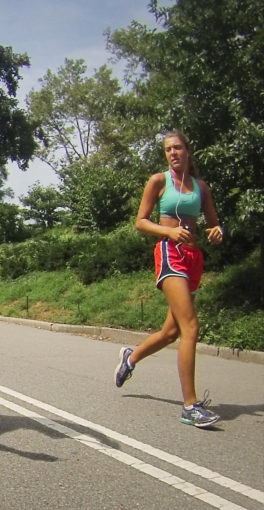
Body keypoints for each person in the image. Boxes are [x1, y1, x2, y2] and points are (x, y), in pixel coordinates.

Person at [114, 129, 223, 428]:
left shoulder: (201, 186)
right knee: (191, 327)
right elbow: (140, 222)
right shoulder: (158, 181)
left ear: (188, 150)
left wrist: (217, 233)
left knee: (171, 332)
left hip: (193, 259)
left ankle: (130, 357)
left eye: (177, 148)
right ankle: (189, 405)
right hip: (169, 253)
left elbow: (215, 225)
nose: (172, 153)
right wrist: (170, 231)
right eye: (167, 149)